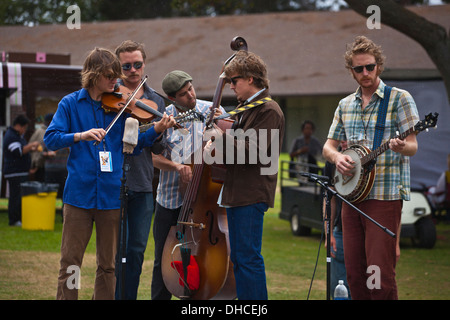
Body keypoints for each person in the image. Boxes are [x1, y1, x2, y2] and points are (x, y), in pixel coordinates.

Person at [44, 47, 175, 300]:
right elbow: (51, 139)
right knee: (71, 262)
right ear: (93, 76)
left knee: (109, 265)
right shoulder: (70, 103)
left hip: (111, 197)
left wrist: (157, 128)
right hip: (78, 197)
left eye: (117, 76)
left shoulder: (119, 107)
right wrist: (80, 135)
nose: (117, 81)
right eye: (110, 76)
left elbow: (134, 145)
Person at [322, 36, 419, 300]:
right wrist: (337, 158)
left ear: (379, 66)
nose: (365, 73)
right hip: (352, 199)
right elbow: (328, 147)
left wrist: (400, 146)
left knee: (379, 277)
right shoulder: (345, 105)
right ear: (351, 71)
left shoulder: (399, 98)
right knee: (354, 275)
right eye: (359, 69)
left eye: (370, 67)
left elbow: (412, 145)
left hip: (384, 197)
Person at [204, 51, 285, 300]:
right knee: (239, 259)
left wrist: (221, 137)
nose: (230, 86)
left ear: (251, 79)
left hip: (251, 193)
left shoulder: (268, 110)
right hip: (237, 191)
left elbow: (255, 151)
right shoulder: (246, 109)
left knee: (248, 259)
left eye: (234, 80)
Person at [151, 70, 224, 300]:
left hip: (204, 202)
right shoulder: (163, 119)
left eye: (191, 89)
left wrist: (223, 124)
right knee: (163, 259)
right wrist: (177, 166)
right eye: (183, 94)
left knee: (200, 257)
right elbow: (153, 158)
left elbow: (233, 142)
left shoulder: (211, 111)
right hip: (170, 200)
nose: (191, 96)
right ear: (172, 98)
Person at [113, 40, 166, 300]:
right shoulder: (109, 95)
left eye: (137, 65)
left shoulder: (156, 101)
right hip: (114, 182)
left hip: (143, 184)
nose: (133, 70)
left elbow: (159, 149)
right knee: (115, 250)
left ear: (144, 64)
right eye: (126, 66)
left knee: (135, 250)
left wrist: (158, 131)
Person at [322, 141, 351, 300]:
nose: (344, 141)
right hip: (339, 230)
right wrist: (329, 233)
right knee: (338, 288)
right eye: (341, 137)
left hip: (365, 231)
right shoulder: (332, 162)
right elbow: (329, 199)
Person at [3, 114, 40, 226]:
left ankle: (19, 218)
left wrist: (31, 148)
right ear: (18, 126)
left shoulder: (18, 136)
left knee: (19, 196)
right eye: (24, 128)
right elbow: (18, 151)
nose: (24, 130)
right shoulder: (11, 136)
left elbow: (22, 149)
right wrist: (31, 145)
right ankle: (14, 220)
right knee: (15, 196)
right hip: (15, 172)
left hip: (20, 171)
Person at [29, 113, 54, 182]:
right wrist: (36, 167)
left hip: (35, 163)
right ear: (50, 121)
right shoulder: (45, 133)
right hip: (40, 165)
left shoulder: (38, 131)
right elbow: (40, 152)